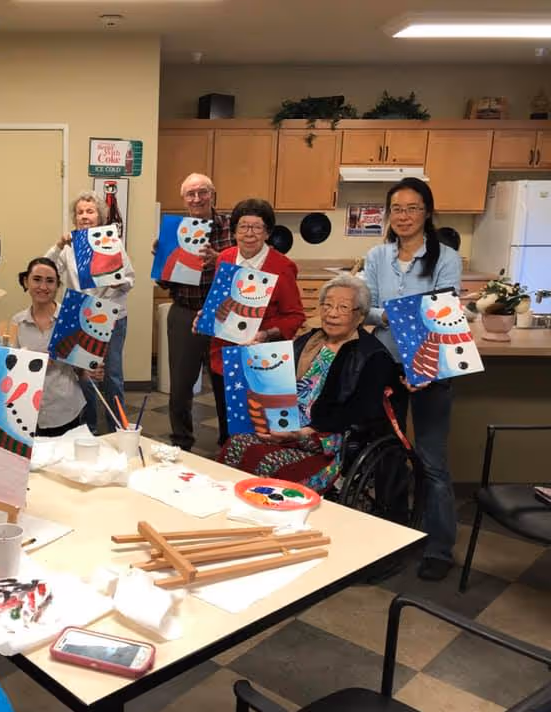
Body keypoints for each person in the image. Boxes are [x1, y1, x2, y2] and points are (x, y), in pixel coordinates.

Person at [363, 176, 463, 582]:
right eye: (397, 209)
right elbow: (367, 305)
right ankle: (392, 535)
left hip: (432, 367)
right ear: (389, 215)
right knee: (386, 452)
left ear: (427, 213)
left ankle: (439, 547)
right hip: (386, 361)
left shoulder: (446, 258)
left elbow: (443, 314)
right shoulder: (376, 255)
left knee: (431, 459)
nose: (404, 216)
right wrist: (387, 314)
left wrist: (425, 368)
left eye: (413, 208)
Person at [219, 275, 396, 491]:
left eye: (342, 308)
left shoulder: (373, 356)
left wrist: (303, 432)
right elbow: (277, 377)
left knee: (269, 463)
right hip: (285, 423)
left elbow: (361, 413)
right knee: (235, 443)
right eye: (327, 305)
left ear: (359, 316)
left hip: (325, 440)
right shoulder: (309, 340)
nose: (332, 313)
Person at [205, 198, 306, 445]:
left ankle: (259, 474)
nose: (249, 234)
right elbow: (221, 304)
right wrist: (206, 316)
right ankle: (229, 466)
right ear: (234, 231)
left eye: (257, 227)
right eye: (243, 227)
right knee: (228, 422)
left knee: (265, 426)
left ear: (267, 232)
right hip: (225, 353)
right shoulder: (225, 259)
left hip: (264, 356)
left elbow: (295, 316)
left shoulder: (282, 266)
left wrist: (266, 334)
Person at [44, 190, 135, 433]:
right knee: (83, 374)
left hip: (113, 315)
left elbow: (129, 280)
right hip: (80, 316)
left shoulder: (112, 244)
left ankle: (119, 428)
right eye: (80, 212)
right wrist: (58, 245)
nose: (85, 216)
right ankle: (90, 429)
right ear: (75, 218)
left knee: (112, 375)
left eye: (90, 211)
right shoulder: (69, 248)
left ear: (100, 217)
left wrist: (119, 283)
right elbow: (45, 268)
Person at [157, 173, 234, 451]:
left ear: (213, 194)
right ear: (184, 199)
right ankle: (181, 442)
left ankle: (229, 443)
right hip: (185, 312)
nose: (197, 198)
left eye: (202, 192)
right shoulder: (176, 230)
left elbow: (242, 273)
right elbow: (165, 282)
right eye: (191, 194)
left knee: (225, 383)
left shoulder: (230, 228)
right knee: (179, 386)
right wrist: (163, 259)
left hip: (221, 315)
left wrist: (220, 259)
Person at [10, 258, 102, 437]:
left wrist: (90, 372)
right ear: (25, 281)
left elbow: (81, 371)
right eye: (37, 279)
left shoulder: (74, 320)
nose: (43, 287)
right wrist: (36, 361)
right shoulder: (15, 323)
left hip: (66, 410)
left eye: (50, 281)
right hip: (28, 412)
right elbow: (9, 369)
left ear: (58, 285)